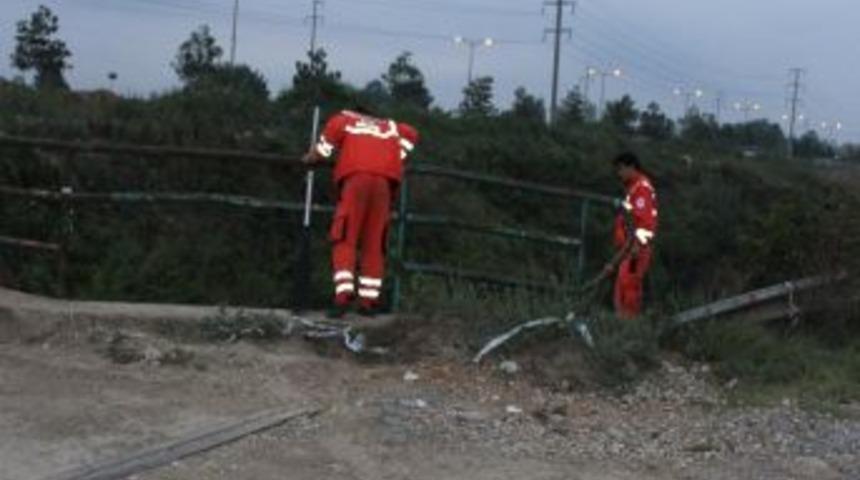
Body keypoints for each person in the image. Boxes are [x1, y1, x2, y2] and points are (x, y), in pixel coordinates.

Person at [302, 104, 419, 317]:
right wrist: (395, 156)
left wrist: (312, 157)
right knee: (374, 242)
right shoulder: (391, 126)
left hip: (355, 179)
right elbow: (412, 134)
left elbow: (324, 149)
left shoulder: (344, 119)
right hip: (384, 183)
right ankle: (368, 302)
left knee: (345, 236)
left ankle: (343, 296)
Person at [608, 152, 658, 319]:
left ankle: (628, 325)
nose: (619, 173)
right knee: (623, 287)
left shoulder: (641, 188)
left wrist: (637, 245)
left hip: (635, 250)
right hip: (628, 249)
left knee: (629, 287)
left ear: (631, 167)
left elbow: (645, 221)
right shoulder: (634, 188)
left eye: (621, 169)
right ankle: (622, 324)